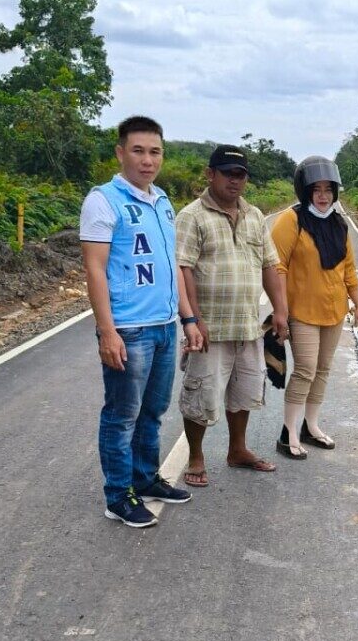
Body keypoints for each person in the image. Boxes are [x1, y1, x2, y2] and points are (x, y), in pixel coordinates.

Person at [81, 115, 203, 528]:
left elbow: (171, 266)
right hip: (129, 329)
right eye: (138, 151)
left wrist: (187, 318)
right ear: (120, 153)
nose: (147, 160)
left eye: (155, 152)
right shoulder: (104, 200)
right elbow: (94, 270)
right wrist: (107, 330)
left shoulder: (163, 201)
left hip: (165, 325)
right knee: (122, 415)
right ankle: (118, 495)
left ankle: (145, 478)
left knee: (153, 410)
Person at [176, 145, 289, 486]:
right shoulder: (192, 216)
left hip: (247, 325)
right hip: (208, 328)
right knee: (201, 395)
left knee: (244, 392)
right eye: (227, 173)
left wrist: (280, 310)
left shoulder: (254, 215)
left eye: (240, 175)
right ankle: (196, 457)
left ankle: (237, 450)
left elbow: (270, 265)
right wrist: (193, 320)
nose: (234, 181)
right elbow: (182, 269)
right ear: (210, 175)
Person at [270, 156, 358, 459]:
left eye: (328, 189)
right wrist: (280, 311)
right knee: (305, 371)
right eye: (316, 189)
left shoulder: (339, 224)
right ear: (305, 190)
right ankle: (289, 434)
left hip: (334, 311)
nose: (323, 196)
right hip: (301, 312)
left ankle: (311, 427)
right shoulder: (291, 220)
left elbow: (348, 268)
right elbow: (276, 267)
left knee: (322, 370)